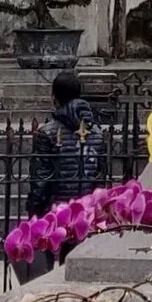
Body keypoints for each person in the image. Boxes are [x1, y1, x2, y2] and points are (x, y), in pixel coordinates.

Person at [27, 72, 101, 228]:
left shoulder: (47, 132)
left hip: (56, 211)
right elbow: (100, 173)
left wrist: (35, 209)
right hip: (87, 210)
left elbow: (41, 178)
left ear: (54, 98)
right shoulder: (96, 132)